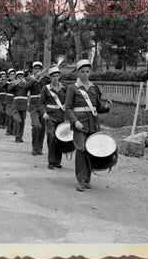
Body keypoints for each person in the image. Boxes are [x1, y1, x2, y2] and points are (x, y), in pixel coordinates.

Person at [65, 59, 110, 192]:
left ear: (90, 72)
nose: (85, 74)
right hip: (79, 123)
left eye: (87, 71)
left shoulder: (94, 88)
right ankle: (81, 180)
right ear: (78, 73)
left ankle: (87, 179)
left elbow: (98, 107)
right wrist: (74, 121)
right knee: (81, 150)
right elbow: (68, 108)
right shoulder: (72, 88)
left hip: (93, 124)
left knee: (90, 150)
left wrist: (106, 108)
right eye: (82, 72)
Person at [40, 66, 67, 169]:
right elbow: (41, 103)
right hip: (50, 116)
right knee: (51, 137)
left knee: (59, 138)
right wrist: (44, 113)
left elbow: (68, 102)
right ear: (50, 77)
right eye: (53, 76)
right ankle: (51, 161)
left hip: (61, 116)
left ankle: (57, 161)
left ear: (59, 76)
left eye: (57, 76)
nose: (55, 78)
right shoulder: (46, 88)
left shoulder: (65, 88)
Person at [24, 61, 50, 156]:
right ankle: (34, 147)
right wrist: (35, 78)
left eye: (39, 69)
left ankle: (39, 148)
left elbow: (56, 81)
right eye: (36, 69)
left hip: (43, 105)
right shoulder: (29, 79)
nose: (38, 70)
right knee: (36, 126)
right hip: (34, 105)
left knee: (42, 128)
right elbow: (25, 88)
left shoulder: (46, 79)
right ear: (33, 70)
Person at [11, 70, 28, 143]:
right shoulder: (13, 84)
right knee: (18, 120)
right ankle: (17, 137)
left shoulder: (26, 85)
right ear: (16, 78)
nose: (20, 78)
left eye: (21, 76)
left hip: (23, 106)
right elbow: (9, 89)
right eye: (18, 77)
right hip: (16, 106)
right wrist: (15, 83)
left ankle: (20, 137)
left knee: (22, 122)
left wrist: (25, 83)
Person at [4, 68, 16, 136]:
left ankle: (12, 130)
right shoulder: (7, 83)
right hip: (8, 100)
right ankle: (8, 130)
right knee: (9, 115)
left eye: (13, 74)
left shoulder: (17, 82)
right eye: (11, 74)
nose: (12, 75)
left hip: (15, 101)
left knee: (13, 116)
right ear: (9, 75)